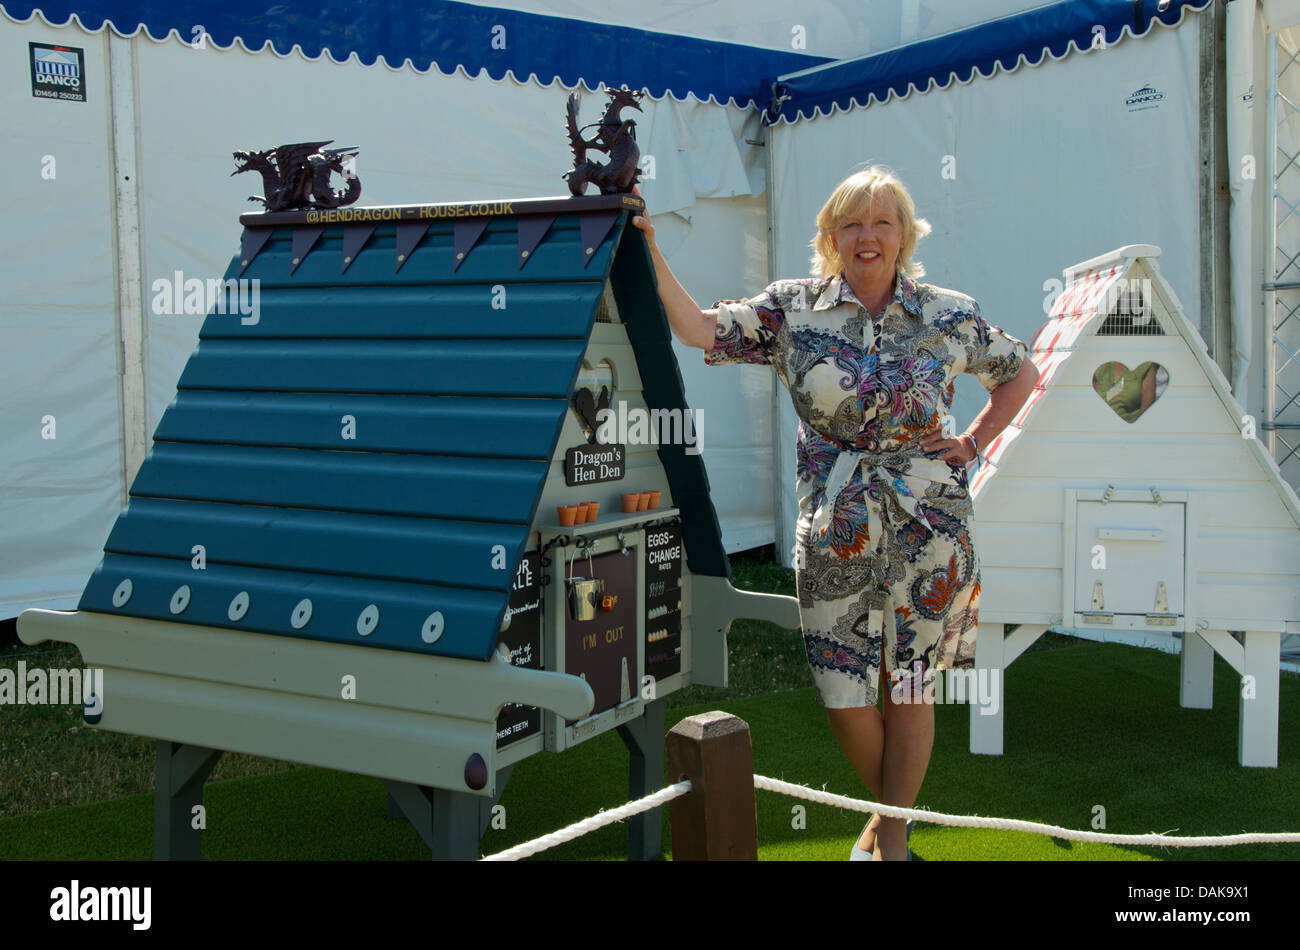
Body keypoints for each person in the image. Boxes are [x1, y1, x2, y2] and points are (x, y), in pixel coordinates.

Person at [631, 167, 1040, 861]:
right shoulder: (793, 309)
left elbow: (1020, 373)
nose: (868, 235)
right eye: (852, 223)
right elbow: (700, 329)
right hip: (836, 528)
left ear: (905, 235)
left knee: (910, 683)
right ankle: (885, 826)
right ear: (831, 237)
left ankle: (893, 844)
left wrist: (972, 441)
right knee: (843, 689)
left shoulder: (947, 313)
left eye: (883, 221)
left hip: (931, 527)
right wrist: (647, 245)